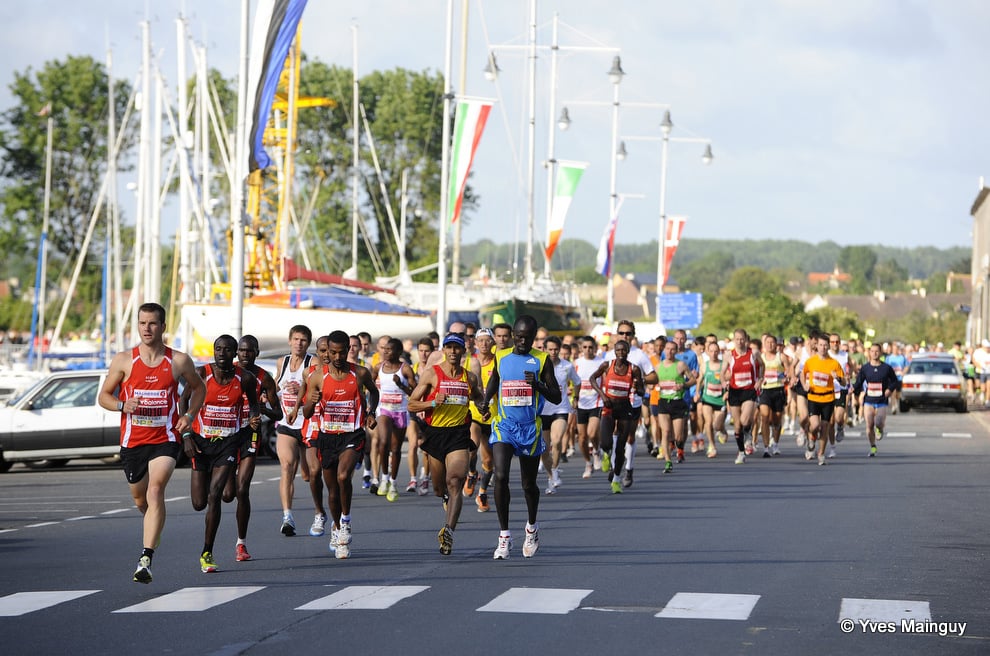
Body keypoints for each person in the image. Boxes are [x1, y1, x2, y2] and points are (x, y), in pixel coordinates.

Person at [98, 302, 205, 583]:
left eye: (153, 323)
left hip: (165, 439)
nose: (147, 328)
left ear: (163, 327)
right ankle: (153, 527)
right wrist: (123, 405)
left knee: (156, 491)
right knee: (141, 499)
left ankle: (145, 558)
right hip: (133, 441)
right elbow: (104, 397)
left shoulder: (178, 361)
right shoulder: (124, 360)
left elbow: (199, 387)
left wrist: (190, 416)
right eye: (142, 323)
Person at [482, 315, 561, 559]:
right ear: (514, 335)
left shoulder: (542, 360)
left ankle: (531, 528)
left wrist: (537, 385)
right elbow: (495, 380)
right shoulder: (501, 355)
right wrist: (486, 403)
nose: (522, 341)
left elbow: (556, 397)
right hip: (504, 426)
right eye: (519, 336)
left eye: (528, 337)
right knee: (501, 475)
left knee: (528, 484)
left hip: (530, 429)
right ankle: (504, 536)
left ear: (534, 336)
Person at [180, 335, 260, 574]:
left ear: (235, 354)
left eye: (227, 350)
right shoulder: (201, 374)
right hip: (200, 443)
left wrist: (254, 418)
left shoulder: (245, 378)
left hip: (228, 443)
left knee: (215, 495)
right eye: (217, 349)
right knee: (199, 503)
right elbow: (182, 401)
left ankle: (207, 552)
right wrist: (185, 436)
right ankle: (213, 493)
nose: (221, 353)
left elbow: (254, 404)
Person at [302, 330, 379, 559]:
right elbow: (306, 413)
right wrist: (311, 402)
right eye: (332, 352)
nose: (336, 357)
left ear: (348, 350)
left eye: (341, 352)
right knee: (333, 490)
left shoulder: (360, 373)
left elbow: (374, 393)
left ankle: (345, 522)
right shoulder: (317, 376)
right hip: (327, 437)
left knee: (344, 476)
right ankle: (336, 526)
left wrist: (370, 412)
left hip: (352, 435)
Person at [408, 332, 487, 554]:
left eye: (457, 348)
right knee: (439, 487)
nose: (453, 351)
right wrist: (432, 402)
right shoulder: (432, 374)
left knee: (455, 481)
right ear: (443, 350)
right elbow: (412, 404)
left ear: (463, 351)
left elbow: (478, 396)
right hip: (435, 434)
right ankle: (444, 497)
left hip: (459, 435)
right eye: (449, 347)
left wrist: (483, 408)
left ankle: (449, 531)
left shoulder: (469, 378)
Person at [221, 335, 283, 562]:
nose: (245, 355)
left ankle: (241, 543)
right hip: (228, 435)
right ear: (236, 353)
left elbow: (279, 414)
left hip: (251, 435)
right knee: (227, 495)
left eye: (250, 351)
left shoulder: (263, 378)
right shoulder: (228, 373)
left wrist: (262, 410)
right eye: (242, 351)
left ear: (256, 352)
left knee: (242, 489)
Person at [273, 325, 316, 536]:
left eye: (304, 340)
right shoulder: (282, 362)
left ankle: (319, 514)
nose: (299, 343)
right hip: (286, 424)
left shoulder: (313, 363)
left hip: (307, 425)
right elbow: (276, 385)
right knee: (287, 466)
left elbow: (319, 390)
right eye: (296, 339)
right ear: (290, 340)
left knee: (309, 474)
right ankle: (287, 517)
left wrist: (303, 391)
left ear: (308, 343)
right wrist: (268, 394)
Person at [589, 339, 645, 492]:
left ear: (628, 352)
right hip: (609, 407)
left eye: (624, 350)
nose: (621, 353)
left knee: (620, 447)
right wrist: (603, 396)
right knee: (606, 442)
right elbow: (592, 379)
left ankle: (616, 479)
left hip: (625, 408)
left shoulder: (634, 369)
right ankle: (605, 453)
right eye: (618, 350)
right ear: (614, 351)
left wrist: (636, 387)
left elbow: (642, 391)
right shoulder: (608, 365)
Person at [371, 337, 415, 501]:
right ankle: (383, 478)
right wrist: (370, 408)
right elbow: (370, 387)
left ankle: (393, 482)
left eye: (389, 350)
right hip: (384, 410)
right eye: (384, 349)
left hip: (401, 411)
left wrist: (401, 386)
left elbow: (415, 393)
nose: (386, 352)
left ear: (398, 352)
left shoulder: (405, 369)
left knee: (396, 449)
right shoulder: (378, 368)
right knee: (383, 442)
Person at [539, 336, 581, 494]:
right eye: (550, 349)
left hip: (561, 408)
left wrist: (576, 398)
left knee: (556, 442)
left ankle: (555, 469)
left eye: (556, 349)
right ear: (544, 349)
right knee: (543, 449)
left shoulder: (567, 366)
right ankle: (551, 477)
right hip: (543, 411)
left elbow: (577, 382)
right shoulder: (539, 366)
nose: (553, 352)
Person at [653, 339, 696, 477]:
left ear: (676, 351)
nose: (669, 352)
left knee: (678, 436)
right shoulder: (658, 367)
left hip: (678, 402)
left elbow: (692, 380)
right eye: (667, 349)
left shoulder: (681, 365)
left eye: (672, 349)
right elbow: (652, 382)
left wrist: (683, 385)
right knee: (665, 431)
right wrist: (651, 386)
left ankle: (679, 447)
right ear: (664, 350)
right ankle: (668, 461)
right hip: (664, 402)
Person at [802, 331, 846, 466]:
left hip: (828, 398)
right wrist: (805, 386)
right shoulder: (810, 361)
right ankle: (811, 437)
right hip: (814, 397)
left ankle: (821, 454)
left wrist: (837, 377)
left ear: (828, 347)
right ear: (817, 346)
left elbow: (844, 383)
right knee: (814, 425)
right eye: (821, 345)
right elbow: (802, 375)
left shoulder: (834, 363)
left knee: (825, 427)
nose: (823, 348)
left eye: (825, 345)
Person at [721, 328, 763, 465]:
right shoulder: (729, 355)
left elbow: (762, 365)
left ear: (746, 339)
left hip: (749, 390)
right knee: (737, 425)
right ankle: (741, 452)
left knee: (745, 420)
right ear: (734, 340)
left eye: (742, 339)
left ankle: (748, 432)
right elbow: (722, 373)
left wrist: (760, 380)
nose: (739, 342)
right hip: (734, 391)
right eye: (737, 339)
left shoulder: (753, 353)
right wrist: (723, 383)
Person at [467, 328, 497, 511]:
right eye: (481, 340)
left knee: (488, 461)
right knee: (472, 447)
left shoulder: (498, 363)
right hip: (475, 414)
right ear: (476, 343)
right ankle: (471, 472)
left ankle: (482, 493)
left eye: (488, 340)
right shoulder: (472, 363)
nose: (484, 344)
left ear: (492, 343)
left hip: (493, 416)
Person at [853, 343, 898, 456]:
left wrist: (889, 390)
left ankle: (880, 429)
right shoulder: (865, 368)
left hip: (882, 400)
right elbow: (858, 382)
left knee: (878, 422)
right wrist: (853, 391)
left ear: (881, 353)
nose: (874, 353)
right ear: (869, 353)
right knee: (869, 424)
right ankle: (873, 447)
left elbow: (894, 381)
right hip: (869, 400)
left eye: (877, 351)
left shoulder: (886, 368)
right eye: (872, 351)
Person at [573, 335, 605, 477]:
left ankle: (597, 451)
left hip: (596, 402)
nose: (588, 350)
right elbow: (573, 381)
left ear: (595, 348)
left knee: (592, 433)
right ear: (581, 348)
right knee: (582, 437)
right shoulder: (576, 363)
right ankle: (588, 463)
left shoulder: (602, 362)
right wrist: (574, 396)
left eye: (590, 347)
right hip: (581, 403)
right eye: (585, 347)